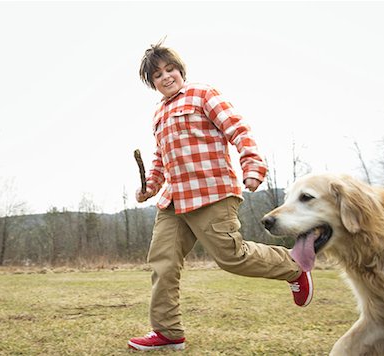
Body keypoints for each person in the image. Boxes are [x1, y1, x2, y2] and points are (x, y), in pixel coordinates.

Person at [128, 41, 313, 352]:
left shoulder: (203, 94)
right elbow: (160, 159)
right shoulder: (158, 114)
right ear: (152, 83)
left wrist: (252, 163)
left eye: (170, 68)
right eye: (157, 74)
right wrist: (150, 187)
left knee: (231, 257)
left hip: (210, 193)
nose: (166, 76)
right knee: (162, 263)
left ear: (180, 70)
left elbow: (238, 129)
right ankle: (168, 333)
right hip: (173, 201)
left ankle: (294, 266)